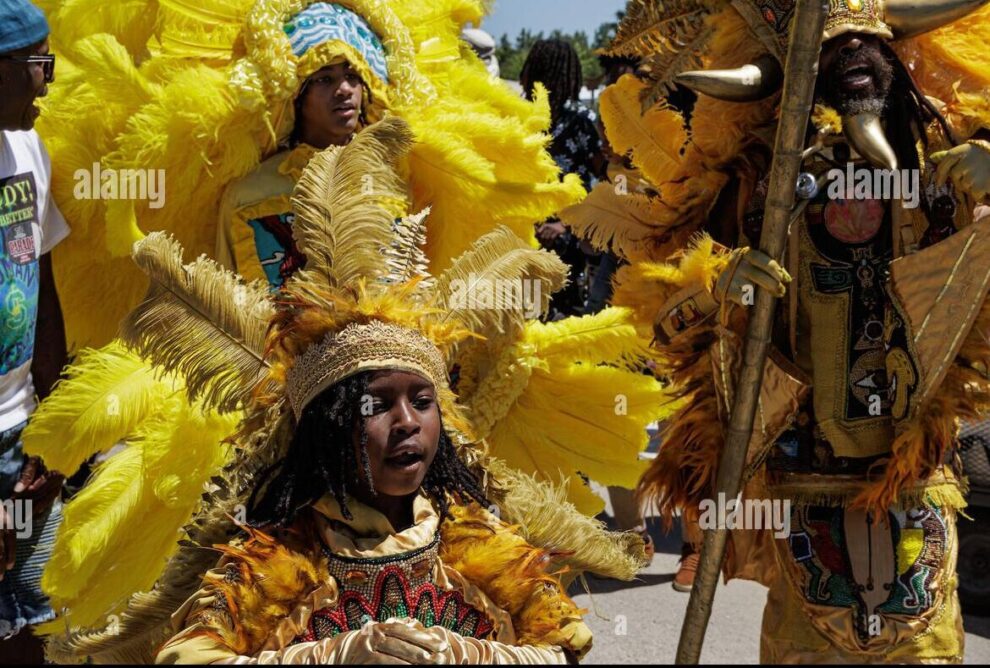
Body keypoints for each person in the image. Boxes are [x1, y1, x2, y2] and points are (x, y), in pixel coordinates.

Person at [41, 117, 656, 663]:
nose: (407, 422)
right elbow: (188, 657)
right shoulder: (284, 558)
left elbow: (566, 643)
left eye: (421, 401)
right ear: (330, 429)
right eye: (377, 405)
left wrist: (471, 653)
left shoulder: (472, 539)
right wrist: (333, 654)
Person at [563, 0, 990, 661]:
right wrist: (722, 279)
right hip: (804, 483)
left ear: (900, 63)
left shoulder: (947, 160)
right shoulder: (765, 178)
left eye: (864, 48)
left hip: (918, 479)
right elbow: (669, 310)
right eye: (829, 52)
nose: (849, 62)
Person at [0, 0, 68, 660]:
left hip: (19, 441)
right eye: (36, 64)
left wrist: (56, 431)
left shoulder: (27, 150)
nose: (47, 80)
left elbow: (42, 290)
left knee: (27, 613)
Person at [520, 39, 603, 319]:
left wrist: (564, 224)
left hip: (567, 245)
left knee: (560, 326)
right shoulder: (520, 116)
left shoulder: (582, 120)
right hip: (523, 242)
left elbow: (602, 184)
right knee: (526, 322)